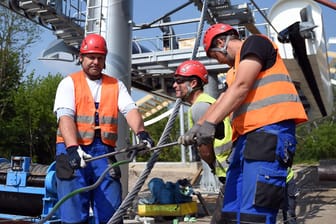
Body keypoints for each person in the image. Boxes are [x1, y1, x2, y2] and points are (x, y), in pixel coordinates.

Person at [178, 23, 308, 224]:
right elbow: (224, 98)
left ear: (221, 43)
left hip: (269, 134)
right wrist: (198, 126)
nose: (218, 61)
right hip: (246, 141)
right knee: (231, 212)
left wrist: (210, 124)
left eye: (215, 56)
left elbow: (241, 87)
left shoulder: (256, 43)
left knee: (255, 212)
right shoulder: (234, 71)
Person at [53, 33, 154, 224]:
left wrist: (142, 133)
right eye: (91, 57)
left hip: (104, 154)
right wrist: (73, 148)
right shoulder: (69, 83)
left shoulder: (115, 85)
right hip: (72, 153)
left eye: (100, 58)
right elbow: (65, 117)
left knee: (111, 215)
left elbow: (130, 110)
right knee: (73, 215)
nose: (95, 62)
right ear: (81, 58)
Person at [173, 60, 232, 223]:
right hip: (230, 169)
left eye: (179, 81)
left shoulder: (200, 107)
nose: (174, 85)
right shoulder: (209, 102)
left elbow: (204, 146)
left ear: (193, 83)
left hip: (227, 170)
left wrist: (211, 163)